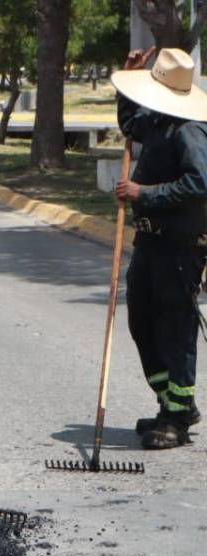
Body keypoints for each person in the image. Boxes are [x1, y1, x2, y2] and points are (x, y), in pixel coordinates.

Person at [114, 47, 207, 449]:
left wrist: (143, 192)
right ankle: (171, 403)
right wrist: (127, 80)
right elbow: (132, 126)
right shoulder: (158, 119)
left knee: (175, 328)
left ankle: (177, 418)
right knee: (142, 321)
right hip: (150, 242)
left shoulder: (189, 129)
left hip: (179, 247)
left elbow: (201, 182)